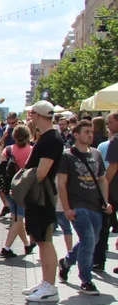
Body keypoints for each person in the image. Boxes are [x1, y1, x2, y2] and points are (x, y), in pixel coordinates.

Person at [56, 120, 110, 295]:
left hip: (95, 205)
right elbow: (61, 183)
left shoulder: (96, 154)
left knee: (91, 240)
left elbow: (102, 179)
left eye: (91, 132)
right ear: (76, 135)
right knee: (88, 239)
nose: (90, 135)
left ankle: (65, 263)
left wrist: (105, 202)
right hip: (78, 205)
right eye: (86, 132)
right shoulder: (67, 155)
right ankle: (86, 280)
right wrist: (66, 208)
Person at [24, 101, 64, 303]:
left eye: (31, 115)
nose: (30, 119)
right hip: (40, 195)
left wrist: (22, 179)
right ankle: (45, 282)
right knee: (40, 240)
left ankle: (50, 286)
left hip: (42, 196)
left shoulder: (51, 139)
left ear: (38, 116)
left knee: (45, 240)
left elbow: (41, 173)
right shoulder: (48, 137)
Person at [0, 125, 35, 258]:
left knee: (16, 217)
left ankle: (26, 245)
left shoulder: (7, 150)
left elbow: (2, 170)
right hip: (24, 189)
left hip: (8, 188)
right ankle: (6, 248)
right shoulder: (32, 150)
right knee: (18, 219)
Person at [102, 111, 118, 272]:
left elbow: (113, 166)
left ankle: (98, 260)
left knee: (104, 225)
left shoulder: (115, 141)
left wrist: (104, 184)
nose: (108, 126)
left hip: (114, 190)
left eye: (111, 122)